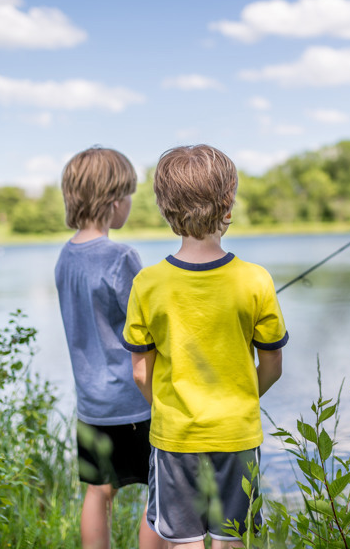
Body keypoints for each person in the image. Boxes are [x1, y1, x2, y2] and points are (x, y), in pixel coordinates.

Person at [122, 144, 288, 548]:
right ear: (228, 205)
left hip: (175, 438)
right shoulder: (255, 280)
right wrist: (242, 397)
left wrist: (168, 405)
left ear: (165, 210)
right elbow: (272, 366)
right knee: (230, 540)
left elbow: (141, 371)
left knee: (184, 541)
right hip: (237, 435)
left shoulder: (147, 283)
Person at [55, 147, 164, 549]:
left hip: (91, 405)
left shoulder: (65, 257)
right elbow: (150, 324)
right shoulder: (121, 257)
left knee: (99, 491)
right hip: (135, 402)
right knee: (162, 494)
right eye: (131, 195)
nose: (131, 204)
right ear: (114, 201)